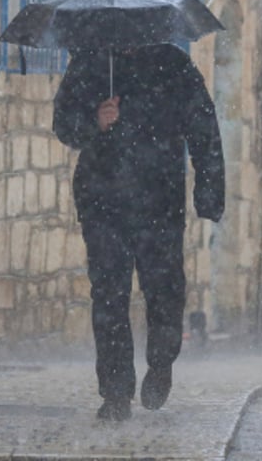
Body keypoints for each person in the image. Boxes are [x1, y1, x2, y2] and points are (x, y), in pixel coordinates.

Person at [52, 42, 225, 422]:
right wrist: (95, 121)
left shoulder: (173, 65)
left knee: (164, 292)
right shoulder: (90, 62)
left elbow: (203, 126)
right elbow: (64, 124)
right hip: (102, 201)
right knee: (109, 296)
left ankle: (160, 364)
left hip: (159, 200)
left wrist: (210, 191)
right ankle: (115, 391)